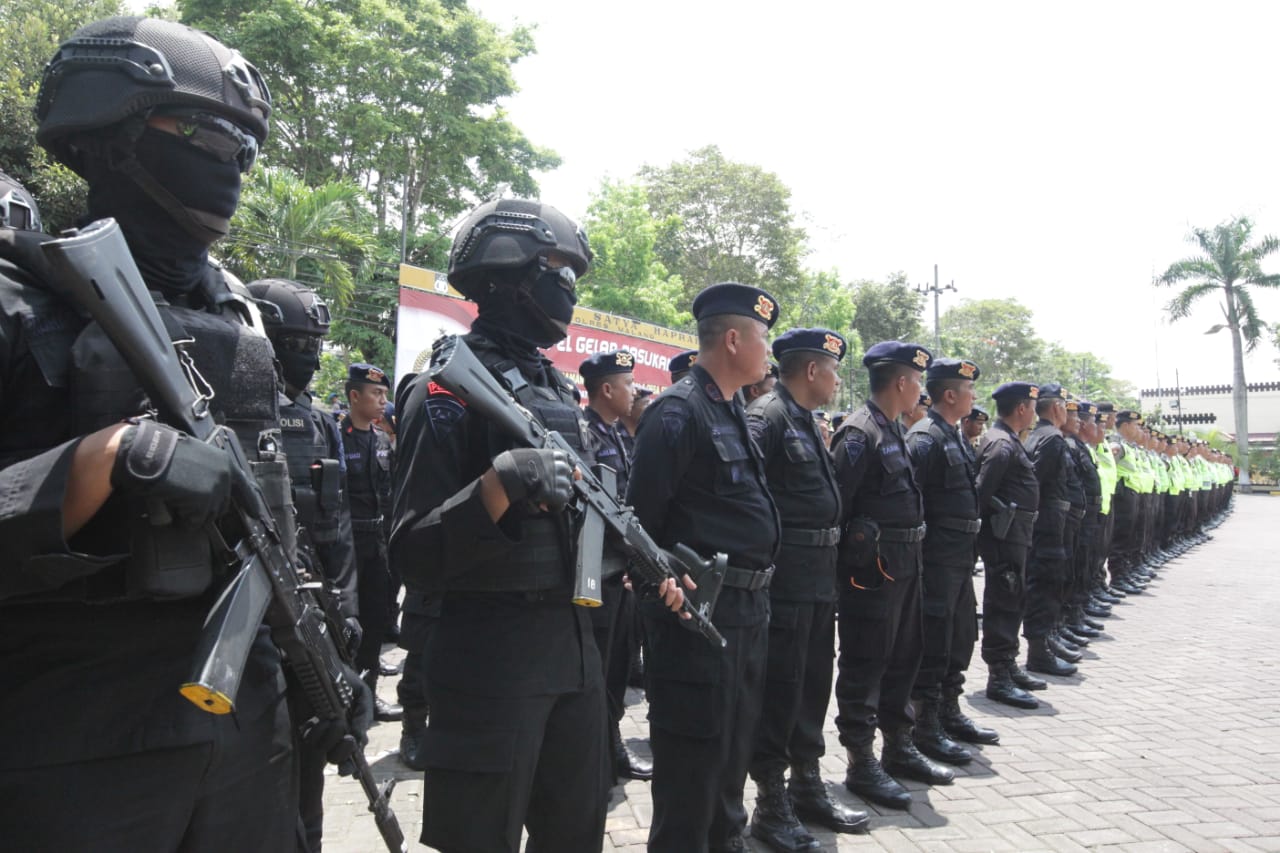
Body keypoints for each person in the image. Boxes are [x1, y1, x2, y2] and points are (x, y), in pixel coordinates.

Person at [0, 16, 303, 849]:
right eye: (207, 133)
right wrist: (99, 461)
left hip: (245, 732)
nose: (233, 165)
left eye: (247, 149)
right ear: (112, 133)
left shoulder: (241, 325)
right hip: (73, 744)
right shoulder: (21, 303)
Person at [391, 198, 685, 852]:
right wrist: (500, 484)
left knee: (574, 833)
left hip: (574, 650)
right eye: (558, 270)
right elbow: (411, 553)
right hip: (489, 656)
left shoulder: (555, 389)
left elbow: (580, 517)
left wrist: (642, 557)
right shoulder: (443, 387)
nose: (568, 289)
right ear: (510, 271)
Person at [627, 282, 782, 853]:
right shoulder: (677, 412)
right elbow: (638, 528)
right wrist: (664, 592)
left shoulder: (732, 407)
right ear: (735, 339)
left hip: (747, 613)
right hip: (697, 621)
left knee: (732, 756)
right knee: (693, 772)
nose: (769, 351)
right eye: (764, 338)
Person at [248, 278, 362, 852]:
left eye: (315, 341)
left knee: (310, 778)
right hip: (249, 632)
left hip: (310, 619)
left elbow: (335, 526)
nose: (310, 356)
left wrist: (345, 606)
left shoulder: (317, 423)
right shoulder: (220, 410)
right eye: (296, 341)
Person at [746, 329, 868, 852]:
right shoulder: (767, 417)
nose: (838, 380)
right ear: (812, 371)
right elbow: (748, 500)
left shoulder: (804, 421)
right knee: (782, 691)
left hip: (819, 581)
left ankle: (807, 785)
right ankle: (770, 804)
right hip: (787, 583)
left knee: (813, 686)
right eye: (833, 370)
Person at [832, 341, 953, 812]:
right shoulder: (859, 432)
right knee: (866, 663)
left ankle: (898, 747)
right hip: (873, 575)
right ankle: (861, 761)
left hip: (906, 565)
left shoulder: (895, 430)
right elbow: (837, 509)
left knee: (905, 657)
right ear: (901, 382)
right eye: (918, 380)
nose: (921, 389)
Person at [905, 358, 999, 762]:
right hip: (936, 560)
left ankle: (948, 709)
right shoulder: (925, 438)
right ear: (949, 394)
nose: (974, 397)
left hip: (959, 559)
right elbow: (914, 502)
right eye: (968, 390)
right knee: (935, 641)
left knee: (959, 637)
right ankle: (925, 725)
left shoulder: (954, 435)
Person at [579, 349, 652, 784]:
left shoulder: (621, 437)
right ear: (606, 389)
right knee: (599, 674)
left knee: (619, 671)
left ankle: (612, 746)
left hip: (623, 574)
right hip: (600, 576)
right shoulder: (584, 436)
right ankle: (595, 763)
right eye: (627, 384)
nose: (633, 392)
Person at [975, 382, 1043, 710]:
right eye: (1032, 405)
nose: (1035, 411)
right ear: (1021, 409)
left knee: (1013, 600)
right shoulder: (1000, 444)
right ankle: (998, 675)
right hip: (1004, 537)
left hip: (1015, 536)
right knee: (1003, 602)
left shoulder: (1009, 440)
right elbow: (981, 493)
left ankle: (1008, 665)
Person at [343, 363, 402, 721]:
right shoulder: (335, 434)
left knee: (377, 620)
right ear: (354, 396)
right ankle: (343, 694)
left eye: (384, 395)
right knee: (347, 622)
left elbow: (390, 493)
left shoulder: (381, 441)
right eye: (376, 394)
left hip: (377, 541)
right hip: (347, 543)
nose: (383, 402)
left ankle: (368, 693)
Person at [1021, 383, 1079, 677]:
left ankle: (1046, 640)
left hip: (1049, 523)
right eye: (1065, 406)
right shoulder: (1051, 439)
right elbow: (1034, 483)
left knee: (1049, 583)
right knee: (1045, 584)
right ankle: (1038, 651)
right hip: (1047, 525)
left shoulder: (1044, 436)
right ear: (1056, 407)